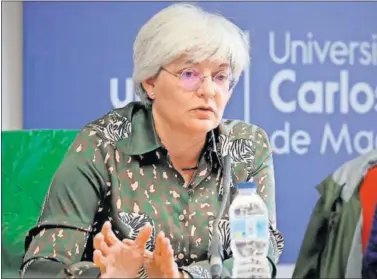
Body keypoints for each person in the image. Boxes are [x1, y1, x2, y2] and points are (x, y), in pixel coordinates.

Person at [20, 3, 284, 278]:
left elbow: (259, 256)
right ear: (150, 82)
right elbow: (41, 267)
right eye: (189, 74)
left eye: (220, 77)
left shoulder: (246, 147)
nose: (208, 91)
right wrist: (104, 276)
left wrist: (183, 277)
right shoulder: (102, 144)